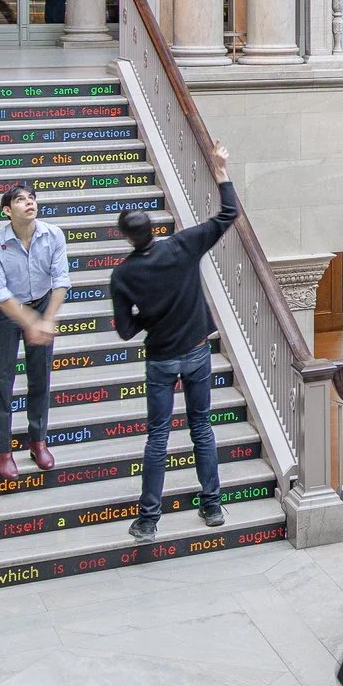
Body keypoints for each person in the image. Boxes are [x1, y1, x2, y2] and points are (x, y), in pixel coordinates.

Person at [108, 140, 240, 540]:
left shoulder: (123, 276)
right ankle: (212, 506)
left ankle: (148, 520)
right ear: (155, 228)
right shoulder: (183, 246)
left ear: (127, 239)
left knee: (158, 437)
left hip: (161, 361)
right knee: (202, 427)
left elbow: (125, 330)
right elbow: (229, 213)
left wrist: (148, 316)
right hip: (197, 353)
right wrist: (220, 169)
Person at [0, 180, 66, 480]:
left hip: (42, 304)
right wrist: (31, 322)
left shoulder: (53, 235)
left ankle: (38, 441)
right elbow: (0, 293)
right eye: (20, 200)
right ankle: (3, 450)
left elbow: (61, 281)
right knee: (2, 379)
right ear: (7, 210)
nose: (30, 203)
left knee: (40, 375)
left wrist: (46, 319)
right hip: (9, 312)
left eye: (32, 198)